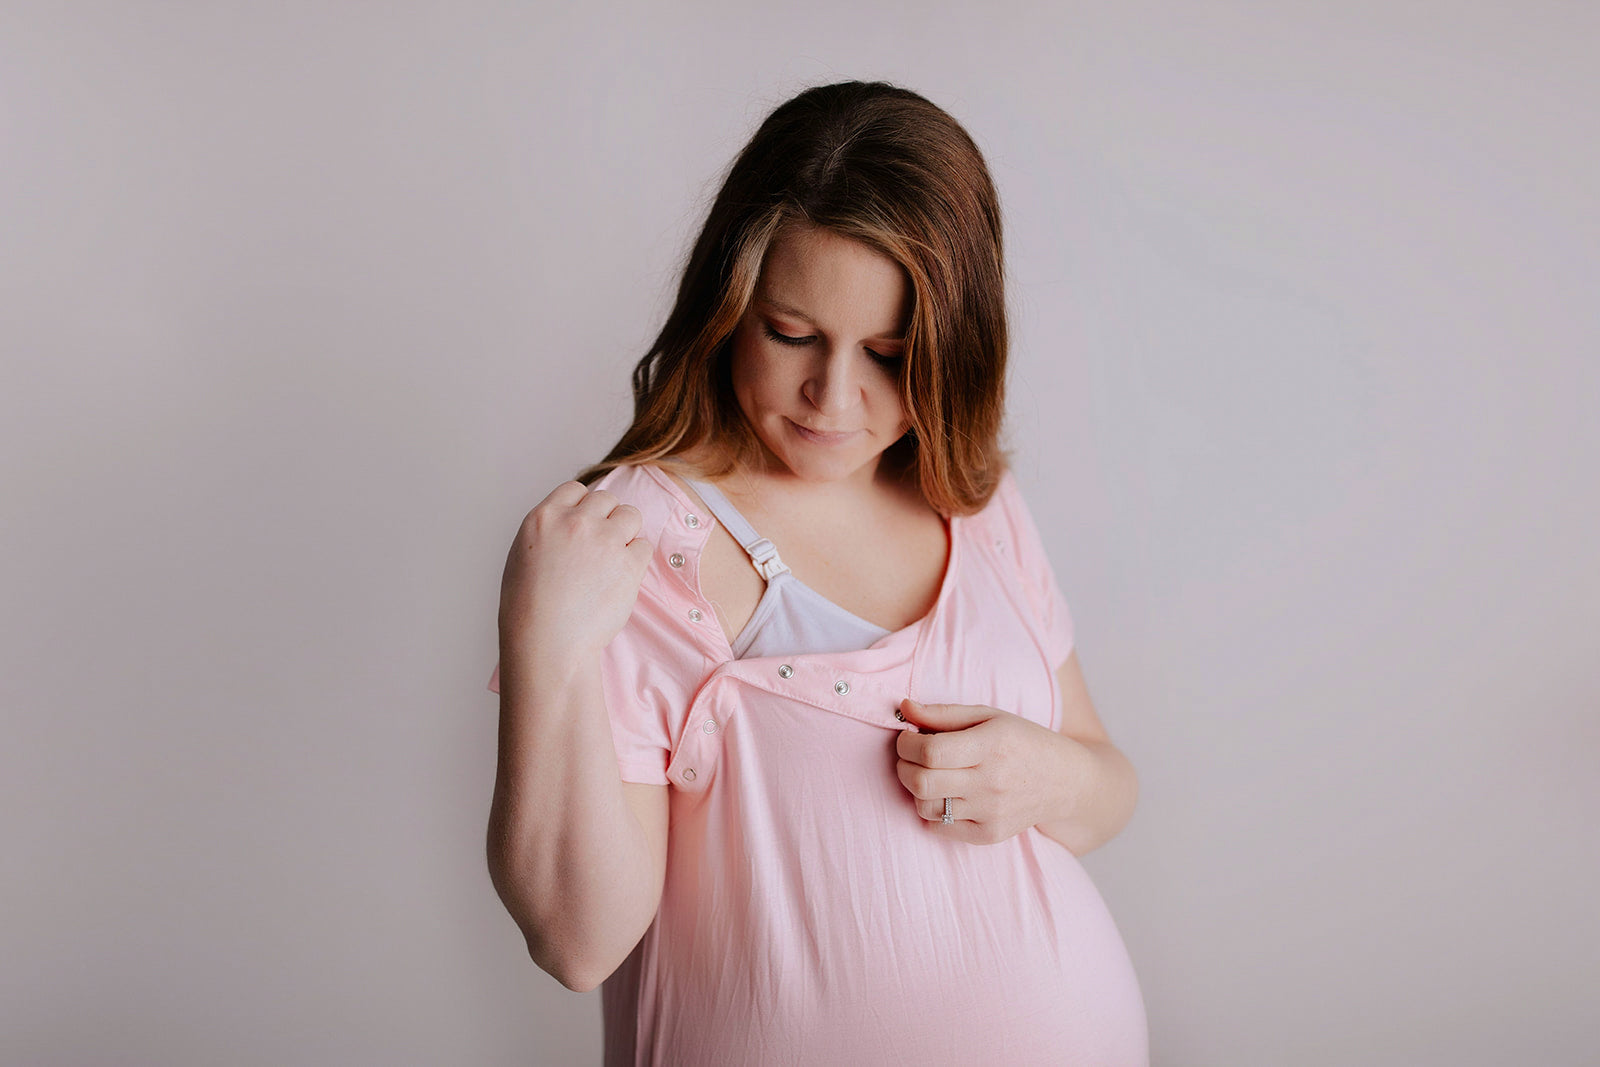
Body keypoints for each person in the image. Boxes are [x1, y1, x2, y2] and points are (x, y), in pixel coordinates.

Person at [485, 80, 1148, 1065]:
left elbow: (1104, 788)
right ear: (729, 306)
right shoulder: (636, 540)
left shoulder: (971, 496)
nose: (832, 398)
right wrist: (542, 643)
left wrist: (1044, 773)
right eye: (791, 333)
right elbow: (577, 940)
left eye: (888, 354)